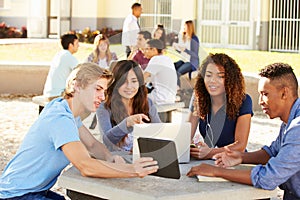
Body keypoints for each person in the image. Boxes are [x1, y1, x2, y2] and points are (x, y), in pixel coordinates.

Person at [0, 62, 158, 199]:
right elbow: (86, 166)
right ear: (77, 85)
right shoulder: (59, 119)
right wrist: (132, 170)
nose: (102, 97)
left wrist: (110, 158)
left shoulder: (65, 110)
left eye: (104, 91)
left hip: (36, 191)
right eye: (97, 89)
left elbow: (92, 145)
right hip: (16, 195)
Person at [187, 63, 300, 200]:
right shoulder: (289, 122)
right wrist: (240, 157)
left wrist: (216, 171)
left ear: (284, 93)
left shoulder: (297, 128)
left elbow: (268, 178)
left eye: (265, 94)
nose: (260, 101)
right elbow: (271, 153)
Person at [189, 53, 253, 160]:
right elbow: (186, 135)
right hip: (209, 161)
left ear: (230, 79)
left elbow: (240, 146)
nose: (212, 80)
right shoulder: (198, 98)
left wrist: (209, 152)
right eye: (208, 75)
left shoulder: (244, 101)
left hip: (234, 161)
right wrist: (193, 147)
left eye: (220, 76)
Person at [97, 60, 161, 152]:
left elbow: (159, 132)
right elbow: (107, 141)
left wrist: (141, 148)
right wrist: (126, 123)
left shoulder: (147, 102)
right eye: (123, 81)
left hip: (142, 156)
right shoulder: (104, 107)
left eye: (134, 81)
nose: (129, 86)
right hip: (117, 159)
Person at [43, 33, 79, 101]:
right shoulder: (69, 57)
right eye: (77, 43)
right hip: (58, 95)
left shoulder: (59, 55)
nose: (78, 46)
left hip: (48, 94)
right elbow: (82, 73)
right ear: (71, 45)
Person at [143, 39, 177, 105]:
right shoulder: (168, 59)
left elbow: (142, 79)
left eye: (147, 49)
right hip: (170, 98)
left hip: (159, 98)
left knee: (133, 98)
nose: (144, 52)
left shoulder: (156, 59)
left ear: (154, 50)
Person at [173, 20, 199, 87]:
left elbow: (195, 55)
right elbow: (182, 52)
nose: (183, 28)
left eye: (185, 26)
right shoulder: (184, 37)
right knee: (172, 68)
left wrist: (186, 50)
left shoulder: (194, 39)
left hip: (191, 62)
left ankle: (177, 90)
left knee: (177, 73)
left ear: (189, 27)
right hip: (184, 60)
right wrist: (176, 49)